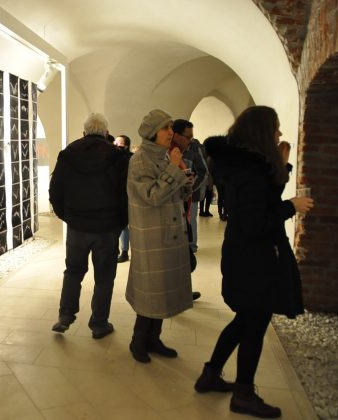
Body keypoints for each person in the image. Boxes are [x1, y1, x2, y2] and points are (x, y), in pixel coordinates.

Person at [194, 106, 314, 418]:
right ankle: (244, 394)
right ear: (262, 131)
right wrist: (291, 206)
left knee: (244, 320)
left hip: (246, 255)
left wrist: (283, 167)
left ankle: (210, 374)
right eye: (275, 128)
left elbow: (261, 199)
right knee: (253, 325)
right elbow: (256, 221)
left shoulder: (245, 165)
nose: (279, 134)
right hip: (254, 259)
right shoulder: (251, 170)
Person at [49, 113, 129, 339]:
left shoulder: (68, 154)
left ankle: (65, 315)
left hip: (78, 226)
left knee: (73, 272)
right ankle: (99, 324)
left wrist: (68, 216)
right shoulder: (118, 157)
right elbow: (125, 194)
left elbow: (55, 190)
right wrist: (121, 222)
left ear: (84, 133)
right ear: (106, 133)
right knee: (104, 277)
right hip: (107, 227)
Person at [126, 109, 194, 363]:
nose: (170, 133)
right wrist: (175, 169)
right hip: (151, 237)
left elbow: (168, 192)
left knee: (162, 291)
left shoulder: (164, 156)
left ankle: (154, 339)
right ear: (152, 132)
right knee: (151, 290)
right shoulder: (140, 160)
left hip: (169, 234)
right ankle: (138, 341)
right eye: (166, 128)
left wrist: (185, 184)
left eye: (171, 128)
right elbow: (152, 196)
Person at [171, 119, 203, 300]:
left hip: (183, 210)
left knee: (185, 259)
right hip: (174, 215)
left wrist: (190, 185)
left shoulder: (183, 153)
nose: (190, 140)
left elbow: (203, 171)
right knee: (184, 260)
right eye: (187, 137)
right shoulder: (169, 155)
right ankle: (178, 293)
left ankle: (181, 292)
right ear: (176, 135)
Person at [114, 135, 134, 263]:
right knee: (119, 224)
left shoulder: (130, 158)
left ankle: (125, 251)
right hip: (117, 195)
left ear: (126, 146)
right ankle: (119, 250)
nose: (116, 145)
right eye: (115, 142)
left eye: (119, 143)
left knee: (124, 225)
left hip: (127, 195)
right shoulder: (112, 157)